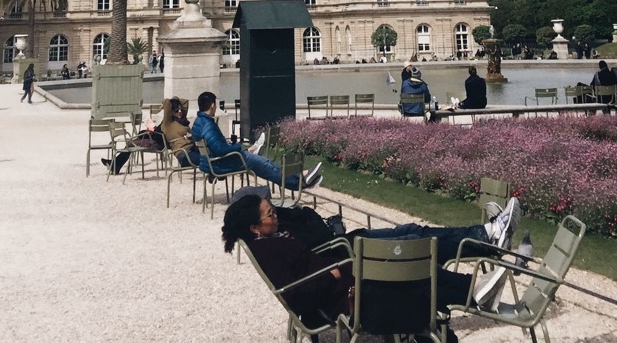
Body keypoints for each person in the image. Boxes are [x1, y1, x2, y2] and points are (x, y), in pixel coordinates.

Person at [222, 192, 523, 327]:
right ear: (254, 228)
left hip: (349, 278)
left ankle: (479, 286)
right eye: (270, 213)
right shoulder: (268, 250)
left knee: (414, 263)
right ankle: (479, 284)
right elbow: (296, 295)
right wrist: (334, 274)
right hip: (347, 297)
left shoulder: (273, 237)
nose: (276, 214)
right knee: (413, 268)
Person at [190, 90, 322, 191]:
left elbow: (216, 147)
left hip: (216, 161)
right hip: (221, 163)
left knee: (264, 162)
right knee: (265, 165)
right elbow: (220, 149)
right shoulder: (208, 125)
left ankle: (300, 176)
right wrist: (238, 146)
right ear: (212, 105)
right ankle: (299, 183)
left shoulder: (199, 122)